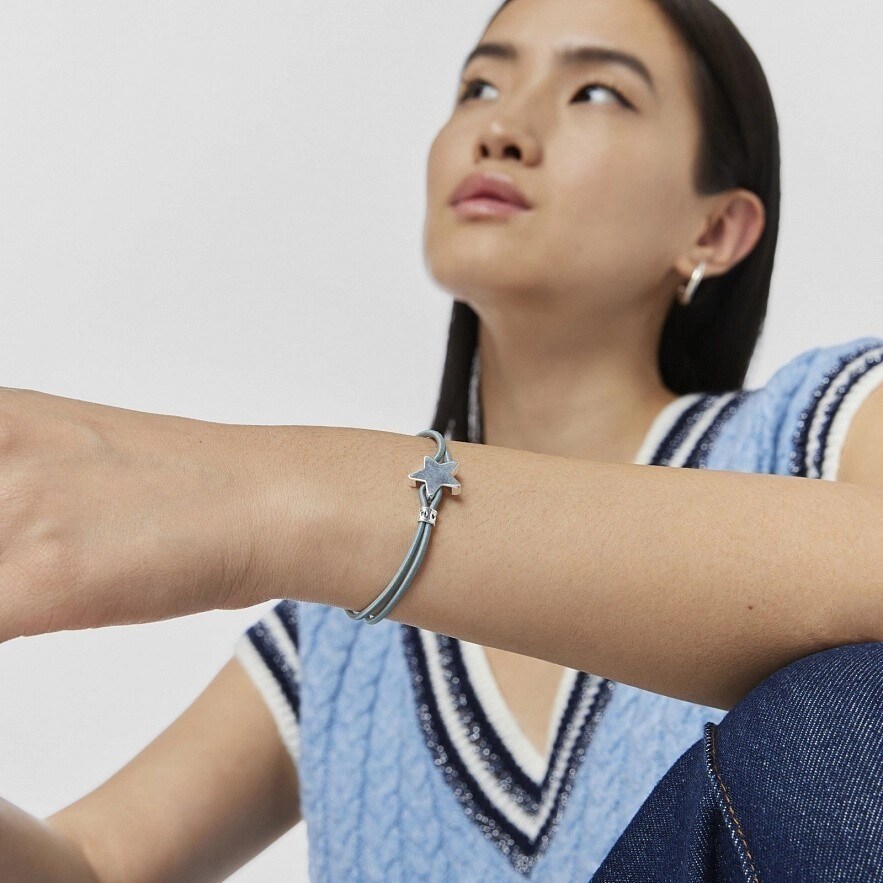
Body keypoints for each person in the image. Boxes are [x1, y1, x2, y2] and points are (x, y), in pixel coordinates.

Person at [1, 0, 880, 880]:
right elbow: (89, 863)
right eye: (479, 86)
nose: (501, 128)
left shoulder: (814, 427)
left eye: (596, 94)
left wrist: (266, 497)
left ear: (713, 230)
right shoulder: (338, 637)